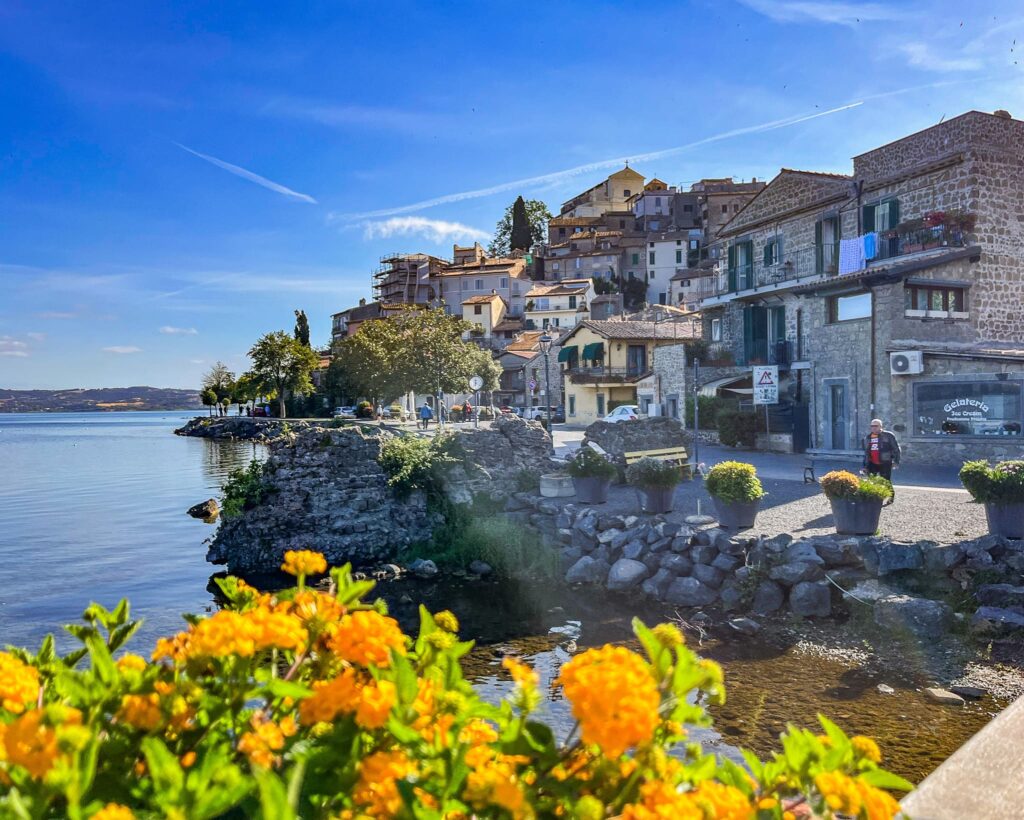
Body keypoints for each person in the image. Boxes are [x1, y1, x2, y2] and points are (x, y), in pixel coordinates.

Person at [863, 418, 901, 484]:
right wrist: (865, 466)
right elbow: (866, 453)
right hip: (872, 463)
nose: (874, 428)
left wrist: (896, 461)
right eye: (872, 426)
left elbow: (896, 449)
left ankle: (888, 491)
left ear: (880, 426)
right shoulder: (867, 438)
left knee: (886, 482)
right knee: (872, 482)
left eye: (876, 426)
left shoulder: (889, 435)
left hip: (885, 462)